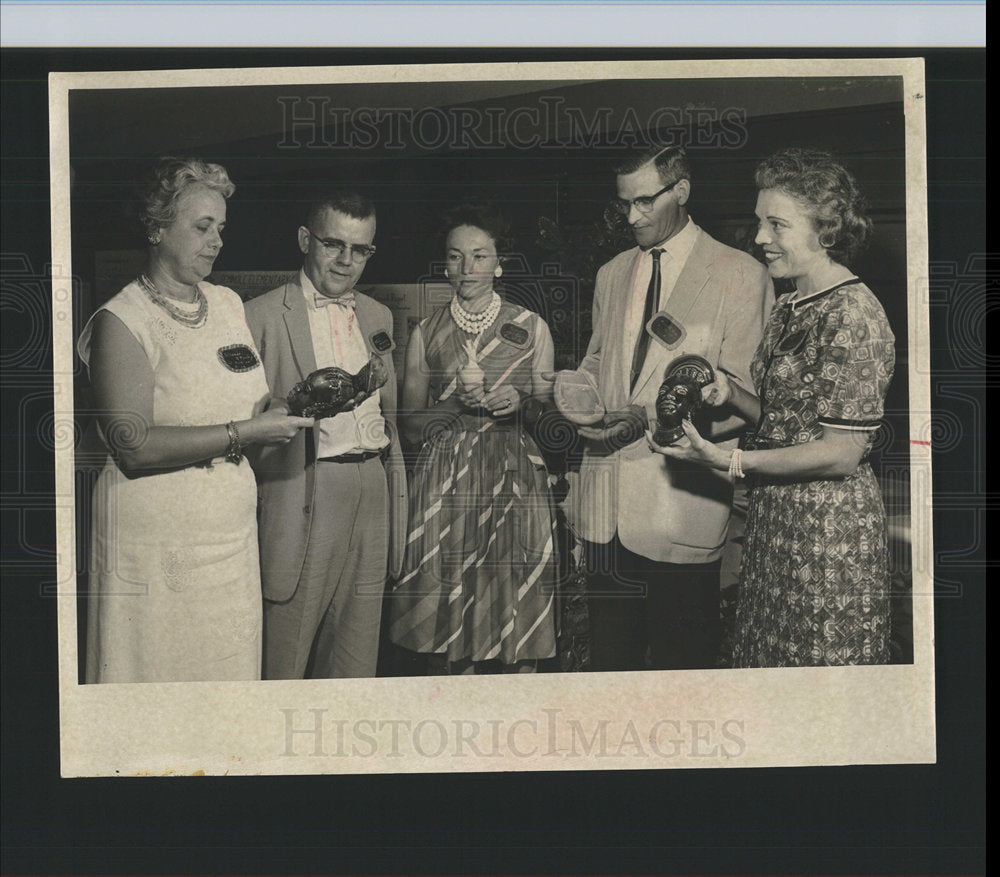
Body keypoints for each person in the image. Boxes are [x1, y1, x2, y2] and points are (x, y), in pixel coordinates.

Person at [647, 147, 894, 667]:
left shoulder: (854, 312)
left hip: (830, 539)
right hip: (775, 525)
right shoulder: (788, 304)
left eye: (777, 225)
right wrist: (729, 392)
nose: (760, 238)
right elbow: (784, 420)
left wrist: (730, 461)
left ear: (826, 229)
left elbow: (842, 452)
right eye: (761, 222)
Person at [77, 157, 313, 683]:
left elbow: (246, 410)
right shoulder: (122, 320)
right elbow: (132, 447)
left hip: (229, 544)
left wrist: (277, 417)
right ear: (158, 228)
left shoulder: (228, 304)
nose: (217, 241)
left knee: (224, 693)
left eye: (221, 229)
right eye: (202, 227)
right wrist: (243, 433)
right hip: (154, 548)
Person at [563, 144, 773, 671]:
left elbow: (747, 400)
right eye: (623, 204)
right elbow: (598, 359)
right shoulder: (612, 273)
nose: (632, 217)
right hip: (604, 509)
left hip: (680, 507)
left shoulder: (741, 274)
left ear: (681, 191)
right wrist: (580, 396)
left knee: (684, 675)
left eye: (644, 202)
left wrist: (650, 419)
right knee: (611, 669)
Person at [388, 204, 558, 674]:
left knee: (513, 606)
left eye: (480, 256)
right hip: (446, 483)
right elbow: (409, 425)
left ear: (499, 263)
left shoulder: (531, 327)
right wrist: (456, 408)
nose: (468, 269)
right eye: (457, 256)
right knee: (445, 619)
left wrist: (521, 402)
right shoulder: (425, 332)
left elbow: (552, 417)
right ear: (445, 263)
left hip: (514, 476)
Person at [244, 191, 406, 680]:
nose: (347, 261)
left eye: (361, 250)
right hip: (303, 485)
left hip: (372, 486)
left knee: (356, 658)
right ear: (304, 240)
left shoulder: (379, 317)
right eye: (334, 244)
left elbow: (391, 415)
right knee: (285, 658)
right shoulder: (259, 315)